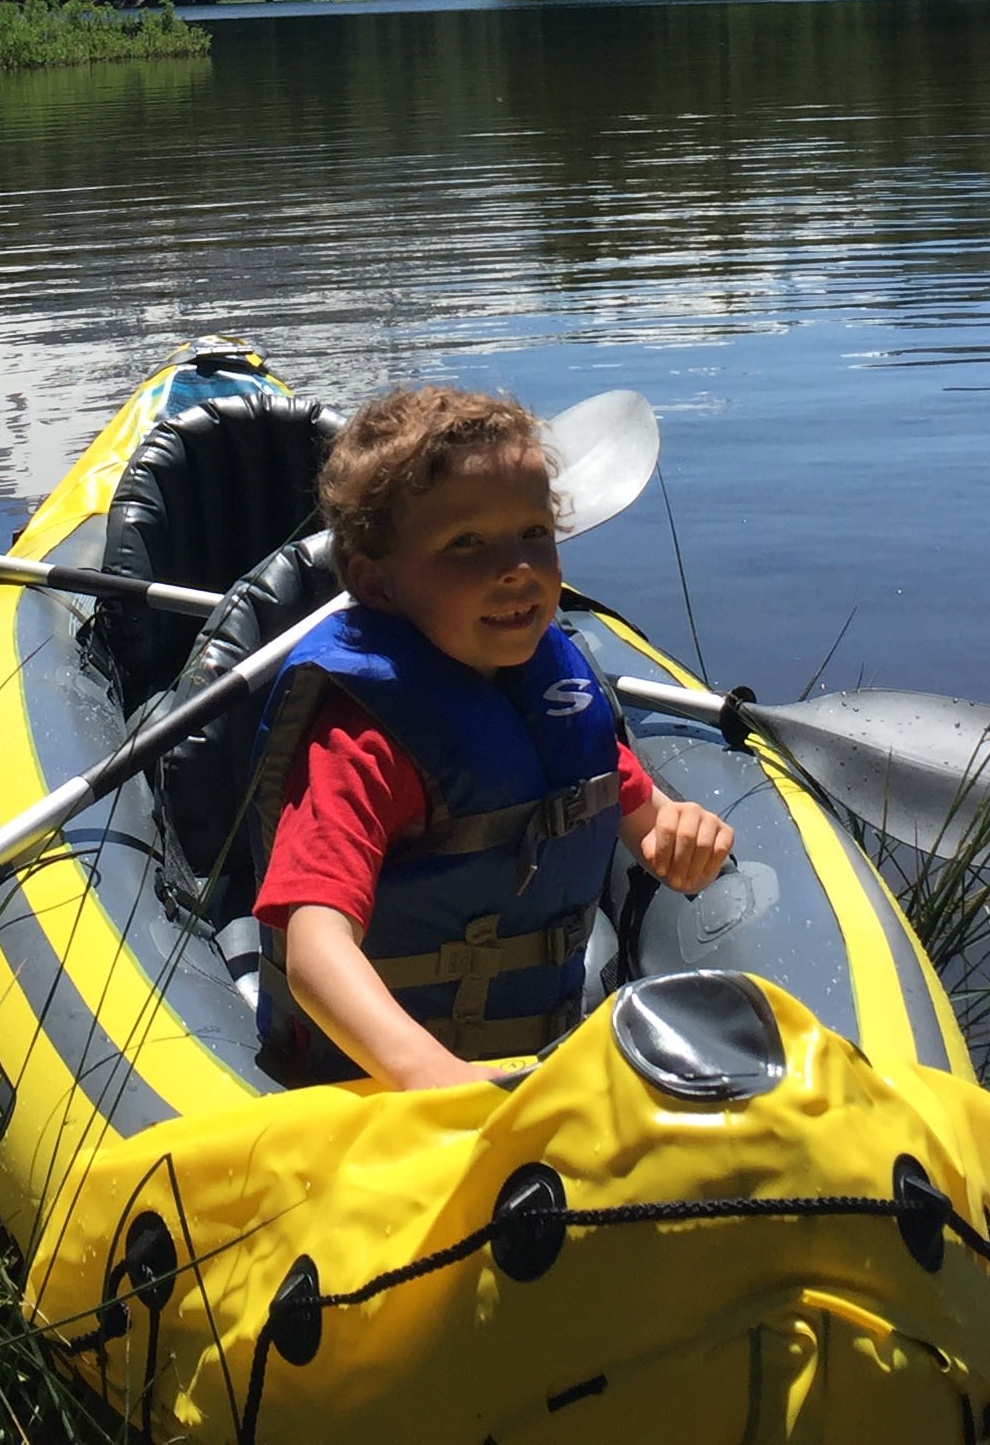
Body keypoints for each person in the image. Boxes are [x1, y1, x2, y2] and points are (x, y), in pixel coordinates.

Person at [246, 385, 734, 1086]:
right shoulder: (361, 744)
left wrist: (682, 834)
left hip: (533, 1068)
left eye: (534, 533)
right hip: (381, 1091)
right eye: (466, 544)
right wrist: (427, 1075)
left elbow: (647, 822)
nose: (518, 567)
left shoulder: (558, 703)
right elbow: (314, 946)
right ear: (373, 582)